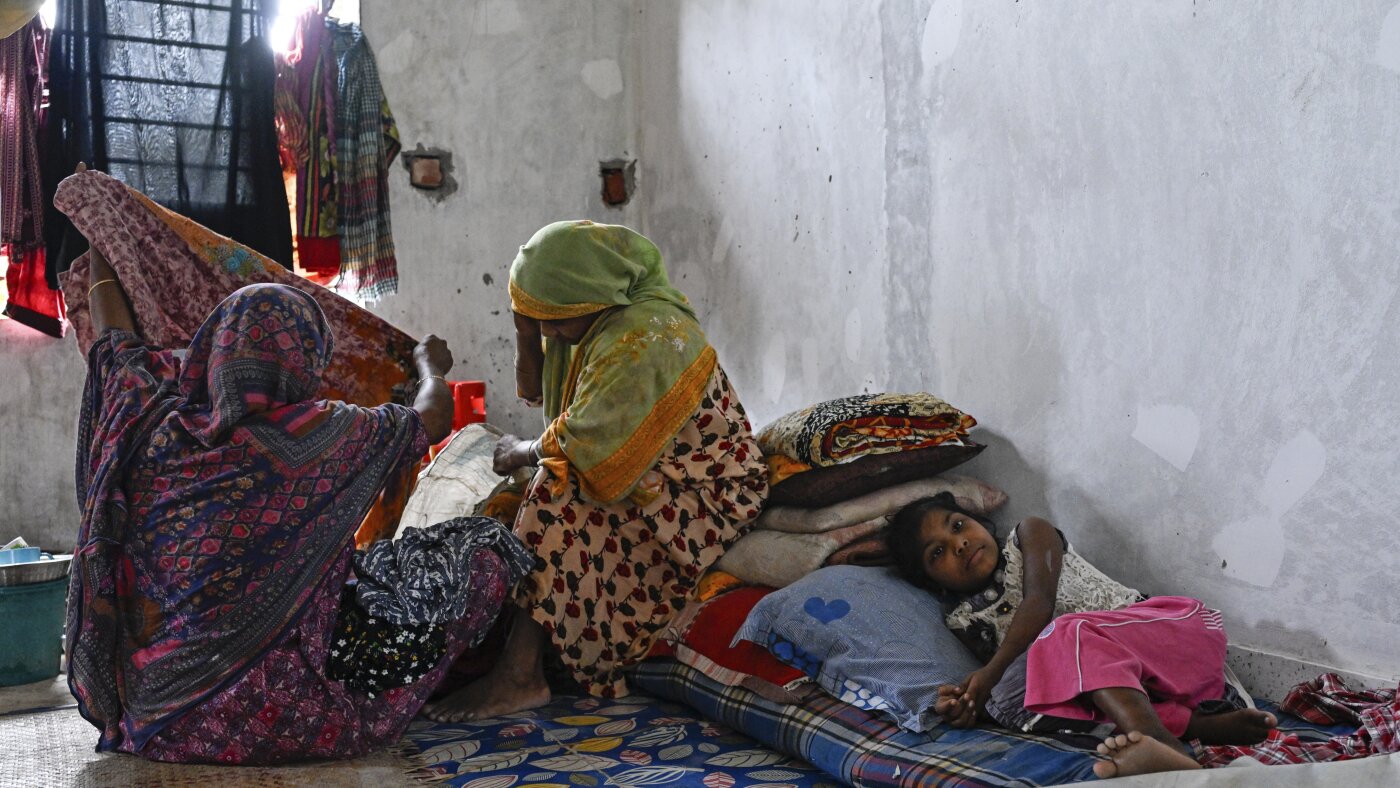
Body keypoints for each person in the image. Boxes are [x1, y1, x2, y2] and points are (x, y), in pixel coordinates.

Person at [69, 223, 531, 764]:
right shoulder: (315, 435)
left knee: (368, 570)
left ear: (214, 349)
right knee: (480, 551)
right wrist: (431, 366)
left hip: (157, 720)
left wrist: (100, 230)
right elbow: (431, 418)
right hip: (286, 717)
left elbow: (114, 341)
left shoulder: (151, 422)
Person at [424, 220, 769, 721]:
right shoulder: (599, 320)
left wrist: (522, 450)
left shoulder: (644, 336)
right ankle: (501, 656)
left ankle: (521, 675)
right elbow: (548, 400)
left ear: (591, 294)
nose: (548, 332)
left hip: (707, 491)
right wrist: (526, 327)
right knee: (513, 505)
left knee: (556, 491)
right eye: (537, 318)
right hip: (652, 474)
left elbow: (589, 448)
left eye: (555, 318)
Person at [885, 492, 1277, 779]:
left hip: (1171, 635)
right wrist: (969, 703)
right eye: (937, 553)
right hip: (1133, 687)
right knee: (1016, 697)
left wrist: (987, 675)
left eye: (958, 526)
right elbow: (1017, 681)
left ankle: (1162, 743)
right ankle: (1193, 728)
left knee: (1065, 632)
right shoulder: (964, 621)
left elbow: (1039, 604)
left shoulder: (1029, 535)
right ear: (931, 582)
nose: (959, 544)